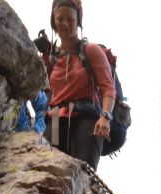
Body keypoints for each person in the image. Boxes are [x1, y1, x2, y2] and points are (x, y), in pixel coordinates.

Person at [42, 0, 114, 169]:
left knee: (84, 173)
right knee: (48, 169)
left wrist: (105, 117)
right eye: (60, 19)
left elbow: (108, 88)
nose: (65, 24)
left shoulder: (91, 51)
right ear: (53, 21)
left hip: (88, 118)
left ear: (78, 20)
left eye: (70, 19)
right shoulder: (50, 57)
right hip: (55, 118)